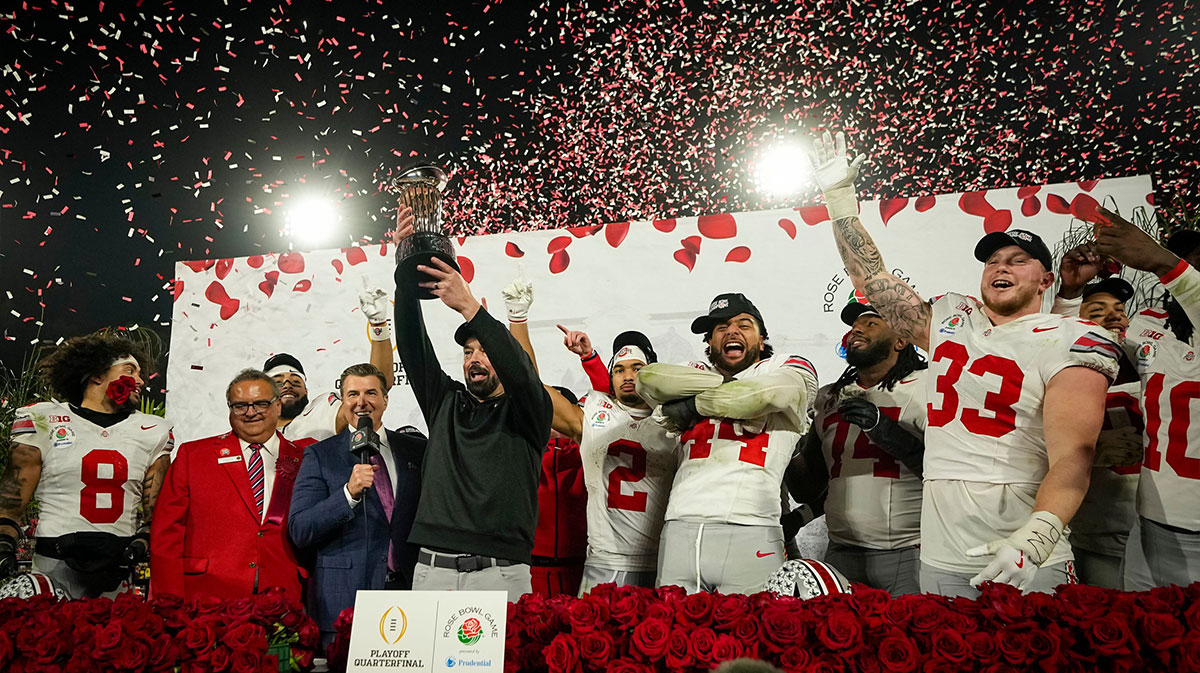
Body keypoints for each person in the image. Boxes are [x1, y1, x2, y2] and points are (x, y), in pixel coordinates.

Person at [811, 130, 1121, 597]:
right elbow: (872, 280)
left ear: (1046, 279)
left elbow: (1074, 455)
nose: (1002, 266)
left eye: (1018, 260)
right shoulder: (954, 319)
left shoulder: (1074, 337)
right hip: (939, 553)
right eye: (994, 259)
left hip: (1022, 547)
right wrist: (839, 199)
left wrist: (1035, 540)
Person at [392, 206, 553, 601]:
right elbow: (413, 347)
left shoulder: (529, 410)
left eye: (484, 350)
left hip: (501, 575)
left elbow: (522, 373)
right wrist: (404, 264)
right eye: (467, 351)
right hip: (431, 570)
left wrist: (470, 307)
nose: (474, 359)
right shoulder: (444, 402)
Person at [635, 293, 819, 593]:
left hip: (752, 525)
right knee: (675, 634)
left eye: (743, 325)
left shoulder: (784, 366)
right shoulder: (696, 370)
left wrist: (693, 405)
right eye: (720, 327)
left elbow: (766, 396)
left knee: (752, 634)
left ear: (762, 340)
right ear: (710, 342)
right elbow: (649, 378)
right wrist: (724, 392)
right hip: (681, 524)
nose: (731, 331)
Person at [1, 333, 173, 598]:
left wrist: (143, 542)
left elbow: (156, 514)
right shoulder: (44, 419)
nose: (140, 381)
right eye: (130, 370)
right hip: (52, 567)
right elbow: (11, 501)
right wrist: (5, 542)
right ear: (96, 376)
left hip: (118, 571)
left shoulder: (151, 430)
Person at [1087, 210, 1200, 590]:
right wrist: (1072, 291)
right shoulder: (1147, 323)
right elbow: (1073, 341)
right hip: (1151, 521)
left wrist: (1166, 262)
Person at [788, 302, 927, 595]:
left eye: (871, 323)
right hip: (841, 553)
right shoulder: (829, 397)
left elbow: (947, 472)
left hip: (909, 552)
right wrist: (785, 443)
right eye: (854, 326)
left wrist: (887, 432)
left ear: (901, 339)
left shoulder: (926, 387)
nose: (857, 330)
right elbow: (809, 486)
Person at [288, 363, 425, 646]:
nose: (361, 402)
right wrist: (347, 494)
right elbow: (300, 529)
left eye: (371, 393)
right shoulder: (320, 455)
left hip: (410, 593)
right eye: (352, 394)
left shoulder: (417, 449)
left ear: (386, 399)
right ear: (343, 401)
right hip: (345, 599)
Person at [150, 369, 306, 602]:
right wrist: (168, 601)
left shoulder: (305, 458)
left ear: (278, 407)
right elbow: (167, 533)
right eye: (240, 406)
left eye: (261, 404)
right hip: (208, 595)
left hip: (284, 594)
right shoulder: (193, 455)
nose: (250, 412)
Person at [1049, 260, 1142, 589]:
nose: (1114, 315)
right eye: (1098, 310)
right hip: (1095, 533)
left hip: (1155, 530)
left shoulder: (1151, 361)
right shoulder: (1061, 368)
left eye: (1119, 308)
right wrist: (1092, 449)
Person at [266, 285, 397, 445]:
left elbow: (378, 382)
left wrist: (378, 324)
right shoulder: (247, 431)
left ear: (306, 391)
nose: (287, 385)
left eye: (295, 382)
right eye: (278, 382)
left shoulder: (320, 411)